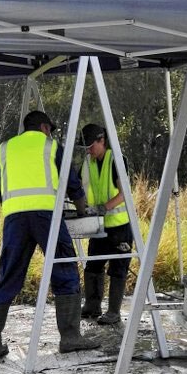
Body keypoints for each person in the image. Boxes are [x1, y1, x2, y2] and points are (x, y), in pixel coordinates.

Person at [0, 111, 98, 362]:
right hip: (47, 217)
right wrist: (82, 210)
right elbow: (72, 183)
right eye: (51, 130)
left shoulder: (3, 149)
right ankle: (70, 338)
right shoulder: (52, 146)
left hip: (14, 218)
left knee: (9, 275)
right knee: (64, 266)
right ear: (45, 127)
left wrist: (19, 203)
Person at [78, 123, 134, 326]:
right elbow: (78, 188)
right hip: (98, 226)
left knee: (118, 268)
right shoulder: (88, 162)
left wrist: (105, 207)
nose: (89, 151)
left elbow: (124, 194)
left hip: (120, 226)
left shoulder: (116, 160)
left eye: (91, 146)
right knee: (93, 265)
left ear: (102, 141)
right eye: (86, 148)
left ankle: (113, 312)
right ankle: (92, 306)